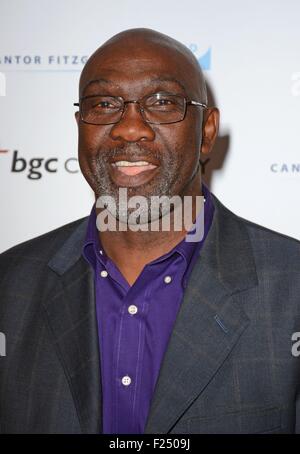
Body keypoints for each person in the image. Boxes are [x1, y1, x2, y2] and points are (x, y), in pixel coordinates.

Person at [0, 28, 300, 435]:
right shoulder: (11, 283)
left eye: (162, 102)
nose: (129, 128)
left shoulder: (292, 286)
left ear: (206, 132)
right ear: (80, 126)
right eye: (104, 104)